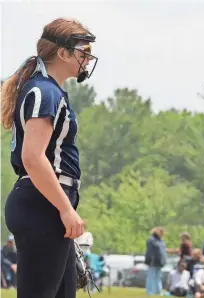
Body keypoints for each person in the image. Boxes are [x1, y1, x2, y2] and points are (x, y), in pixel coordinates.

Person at [1, 18, 98, 298]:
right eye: (83, 51)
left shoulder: (49, 90)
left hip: (46, 203)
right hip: (40, 203)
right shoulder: (44, 92)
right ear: (63, 53)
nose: (88, 58)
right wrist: (66, 209)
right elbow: (32, 158)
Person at [145, 227, 167, 295]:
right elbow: (149, 251)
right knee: (151, 276)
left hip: (159, 262)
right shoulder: (151, 240)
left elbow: (163, 251)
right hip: (153, 261)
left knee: (158, 277)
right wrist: (149, 260)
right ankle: (149, 291)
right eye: (161, 232)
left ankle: (158, 291)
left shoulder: (161, 241)